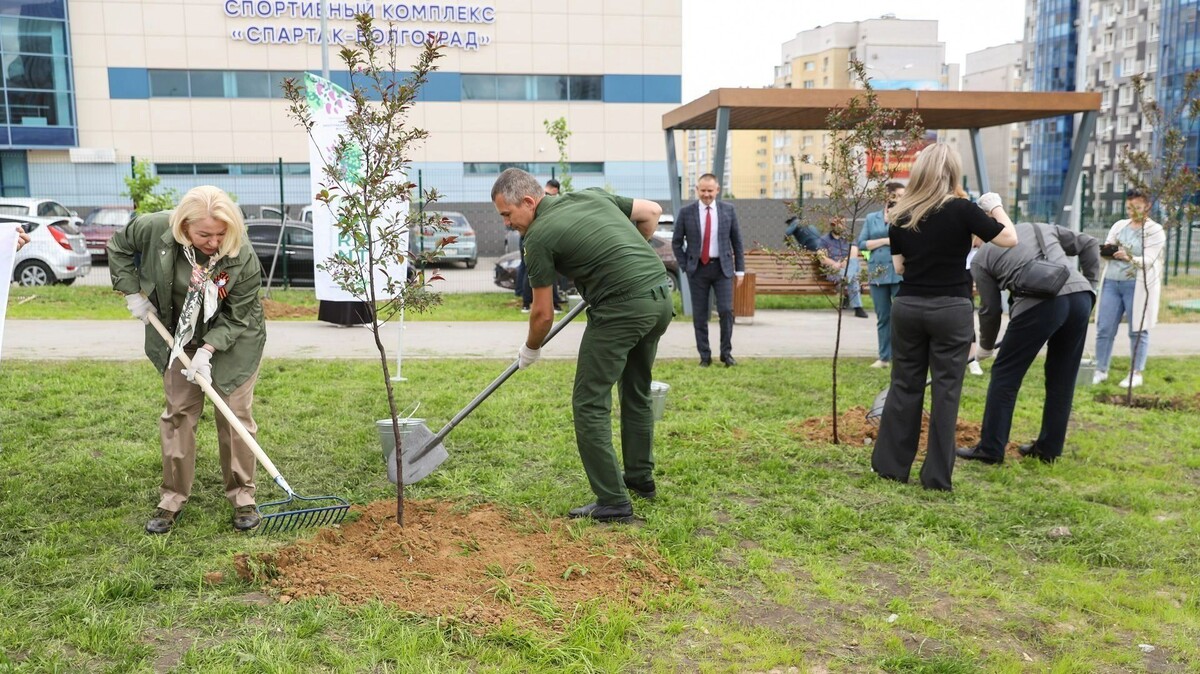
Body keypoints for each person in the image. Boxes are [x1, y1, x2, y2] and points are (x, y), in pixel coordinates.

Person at [491, 168, 671, 523]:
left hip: (621, 309)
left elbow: (542, 314)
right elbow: (651, 211)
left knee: (589, 402)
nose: (508, 224)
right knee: (635, 391)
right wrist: (625, 261)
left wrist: (531, 349)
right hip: (659, 296)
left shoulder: (537, 237)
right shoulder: (590, 194)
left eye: (508, 215)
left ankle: (613, 502)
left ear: (529, 201)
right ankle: (639, 479)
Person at [108, 186, 267, 534]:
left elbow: (239, 316)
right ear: (183, 227)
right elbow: (118, 247)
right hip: (176, 336)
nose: (214, 242)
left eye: (221, 233)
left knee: (234, 415)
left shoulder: (241, 254)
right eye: (204, 234)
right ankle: (172, 498)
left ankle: (243, 497)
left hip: (234, 340)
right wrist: (132, 290)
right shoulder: (152, 228)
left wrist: (208, 352)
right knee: (179, 413)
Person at [870, 143, 1017, 491]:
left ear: (919, 172)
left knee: (904, 386)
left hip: (908, 307)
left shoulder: (900, 214)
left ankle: (891, 467)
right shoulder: (963, 209)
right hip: (951, 308)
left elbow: (899, 267)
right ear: (952, 172)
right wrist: (994, 206)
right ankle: (936, 476)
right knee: (946, 392)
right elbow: (1009, 238)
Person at [956, 222, 1100, 465]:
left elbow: (990, 310)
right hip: (1081, 297)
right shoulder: (1039, 227)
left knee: (1005, 375)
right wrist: (1090, 283)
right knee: (1062, 378)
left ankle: (990, 449)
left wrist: (986, 347)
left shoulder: (981, 258)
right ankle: (1048, 449)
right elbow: (1090, 243)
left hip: (1040, 304)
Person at [1092, 189, 1165, 389]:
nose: (1132, 211)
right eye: (1129, 208)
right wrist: (1108, 251)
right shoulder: (1119, 225)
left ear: (1148, 207)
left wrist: (1130, 257)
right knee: (1104, 328)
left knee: (1138, 330)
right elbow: (1109, 246)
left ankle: (1136, 372)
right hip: (1112, 283)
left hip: (1137, 285)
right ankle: (1100, 369)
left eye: (1137, 208)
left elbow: (1150, 260)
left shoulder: (1154, 230)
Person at [672, 173, 745, 367]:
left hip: (723, 269)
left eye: (710, 191)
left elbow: (737, 242)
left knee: (726, 310)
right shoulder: (686, 212)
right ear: (697, 190)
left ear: (717, 190)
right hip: (698, 270)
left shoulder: (728, 210)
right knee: (700, 314)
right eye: (703, 190)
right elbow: (677, 242)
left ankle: (726, 354)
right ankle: (705, 356)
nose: (706, 194)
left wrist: (740, 271)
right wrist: (685, 266)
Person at [858, 182, 905, 367]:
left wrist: (878, 242)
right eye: (899, 195)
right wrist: (886, 240)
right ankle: (884, 357)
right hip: (877, 271)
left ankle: (902, 357)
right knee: (883, 316)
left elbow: (904, 241)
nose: (902, 198)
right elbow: (862, 243)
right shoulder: (872, 218)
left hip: (898, 271)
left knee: (902, 316)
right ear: (889, 196)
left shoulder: (904, 217)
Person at [817, 218, 869, 319]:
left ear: (844, 225)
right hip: (834, 270)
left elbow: (853, 254)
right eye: (835, 224)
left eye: (840, 224)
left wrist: (843, 262)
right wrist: (834, 263)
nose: (838, 226)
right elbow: (822, 258)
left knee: (853, 262)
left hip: (848, 266)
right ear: (832, 226)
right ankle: (858, 308)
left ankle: (845, 280)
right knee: (854, 278)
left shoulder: (849, 238)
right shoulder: (824, 239)